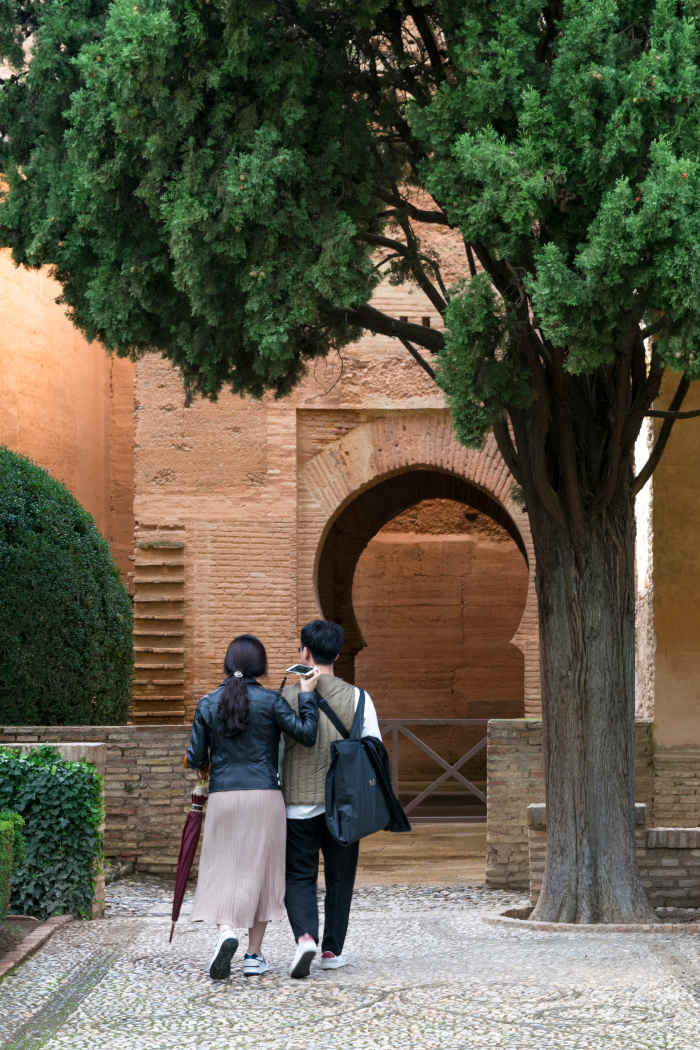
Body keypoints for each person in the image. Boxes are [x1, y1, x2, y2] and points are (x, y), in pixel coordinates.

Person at [186, 633, 320, 979]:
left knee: (221, 867)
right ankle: (253, 955)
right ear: (261, 666)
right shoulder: (271, 701)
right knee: (261, 872)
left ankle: (225, 930)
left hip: (223, 797)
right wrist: (307, 695)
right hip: (265, 795)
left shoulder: (208, 703)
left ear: (227, 663)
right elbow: (306, 734)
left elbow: (195, 757)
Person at [281, 619, 381, 979]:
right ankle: (331, 950)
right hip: (344, 807)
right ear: (338, 654)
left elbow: (276, 751)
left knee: (299, 875)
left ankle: (305, 937)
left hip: (297, 803)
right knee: (341, 878)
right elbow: (374, 746)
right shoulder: (359, 698)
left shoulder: (286, 698)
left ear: (305, 652)